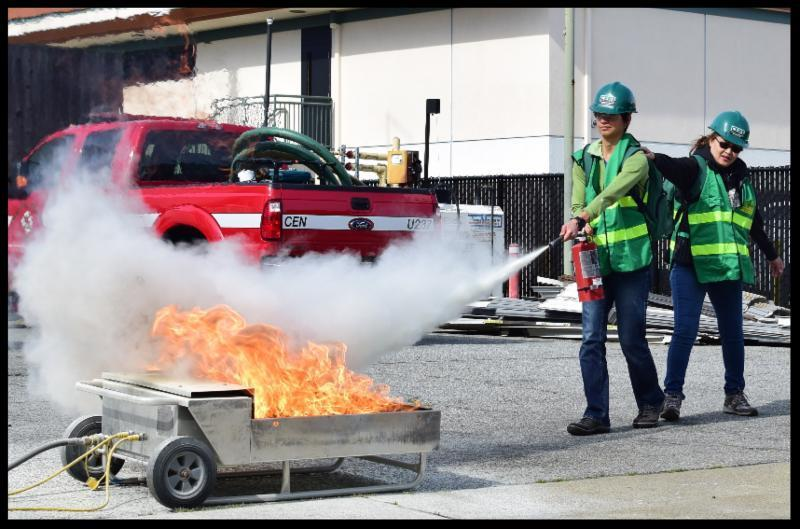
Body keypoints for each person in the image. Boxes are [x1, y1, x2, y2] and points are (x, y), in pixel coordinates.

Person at [642, 111, 784, 421]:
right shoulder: (696, 168)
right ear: (711, 139)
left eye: (736, 148)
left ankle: (734, 395)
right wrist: (653, 157)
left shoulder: (742, 179)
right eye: (724, 144)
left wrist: (772, 256)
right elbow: (675, 167)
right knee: (685, 331)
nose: (729, 151)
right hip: (689, 265)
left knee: (733, 332)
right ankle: (672, 397)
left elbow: (754, 222)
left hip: (724, 266)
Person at [560, 82, 665, 435]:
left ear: (626, 118)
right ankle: (596, 414)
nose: (603, 120)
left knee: (631, 338)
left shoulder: (637, 159)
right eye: (598, 114)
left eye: (610, 114)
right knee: (591, 338)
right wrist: (578, 218)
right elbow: (578, 199)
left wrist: (583, 216)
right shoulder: (583, 158)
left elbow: (611, 192)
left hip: (632, 262)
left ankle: (651, 402)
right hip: (595, 262)